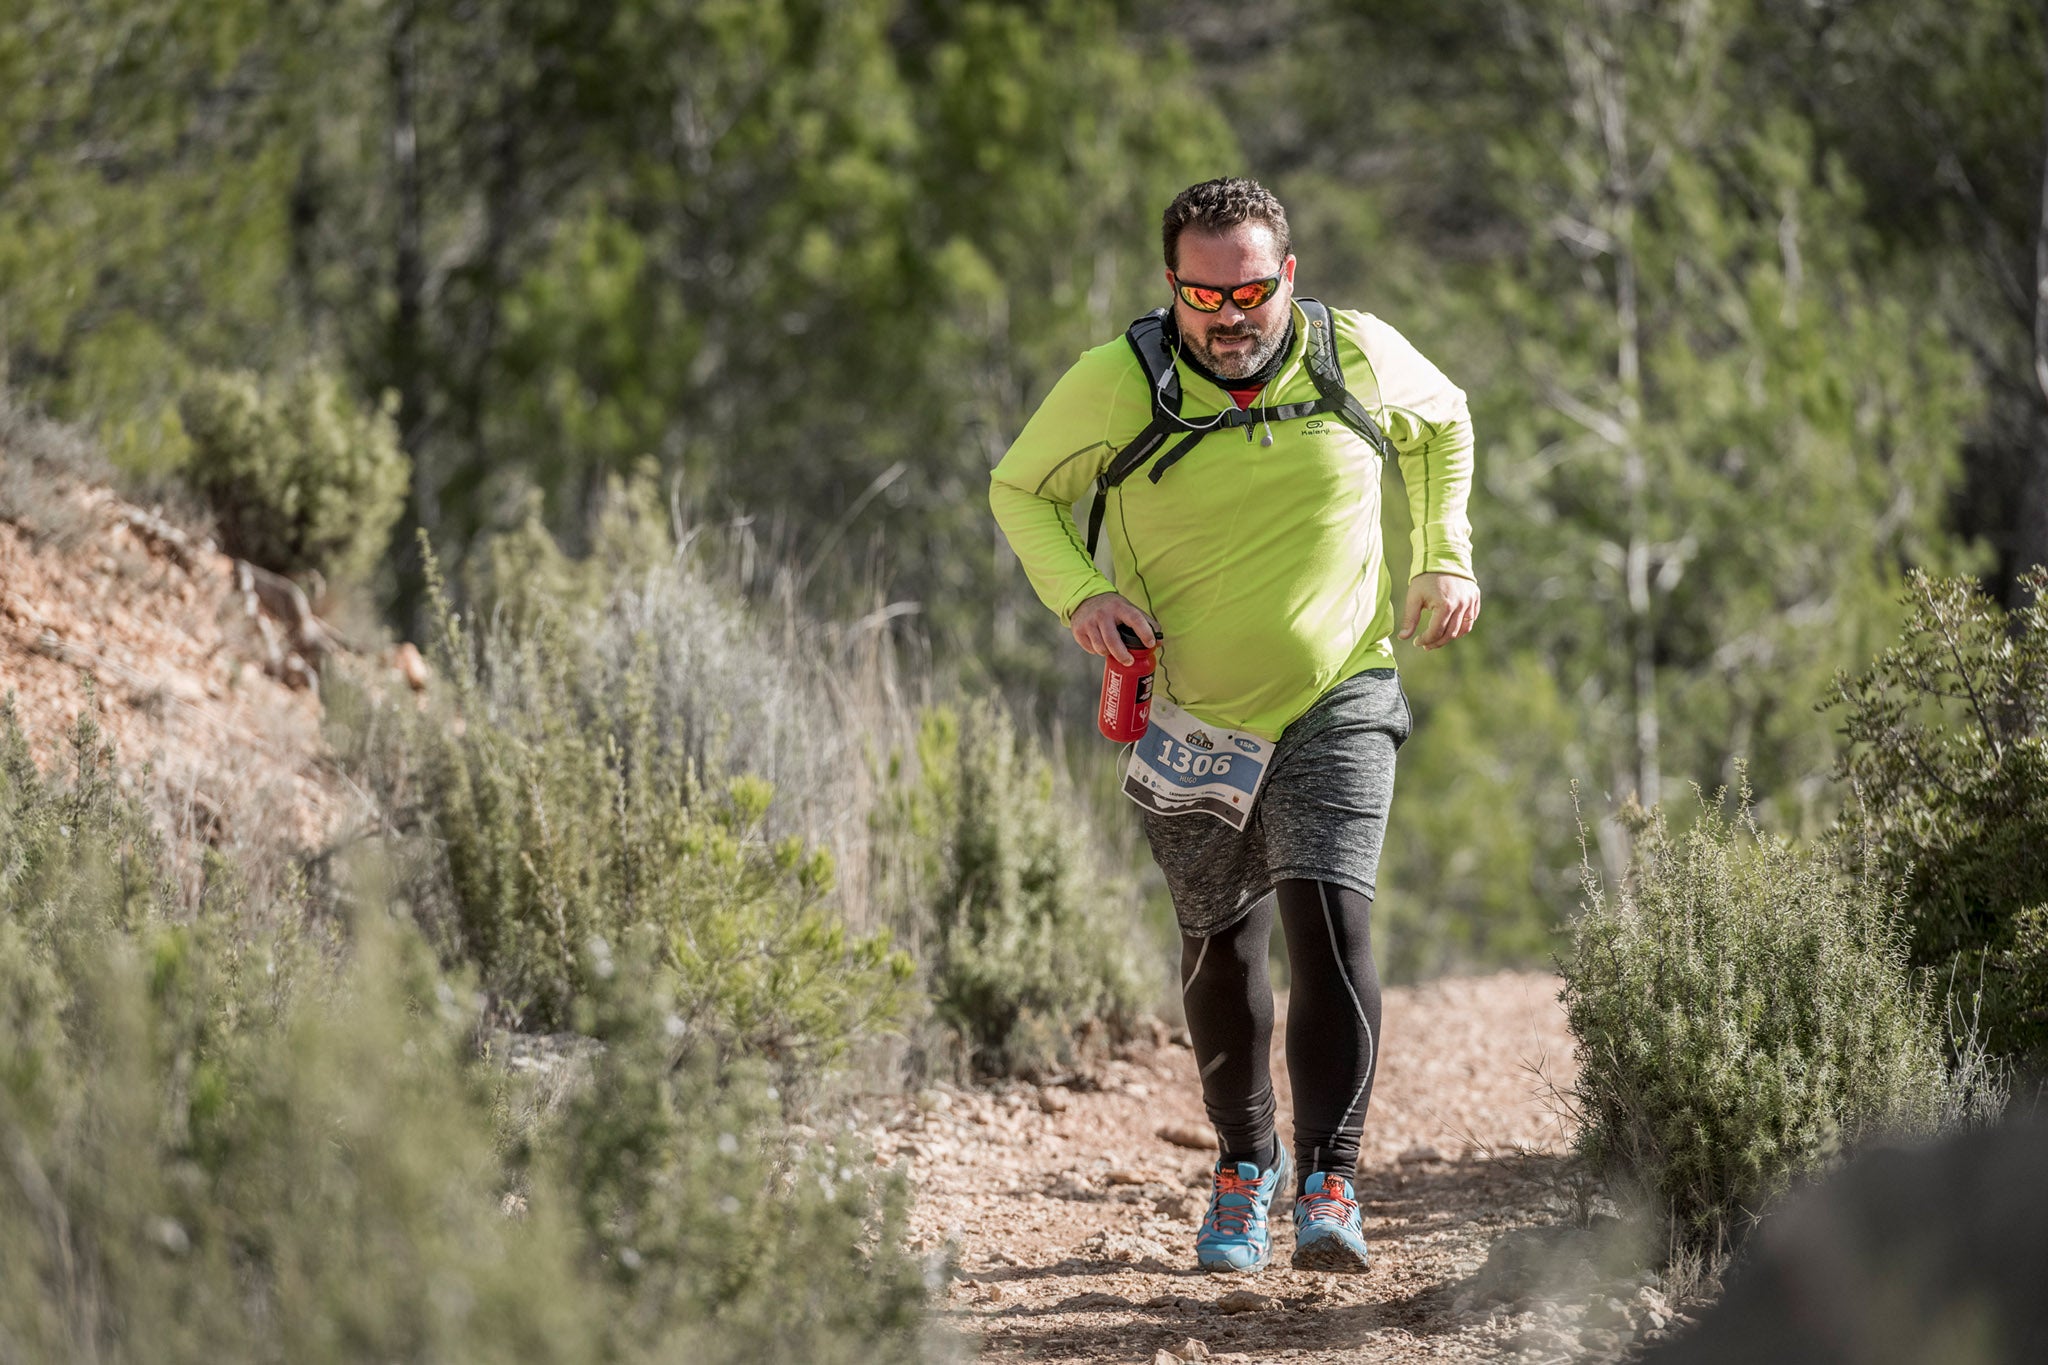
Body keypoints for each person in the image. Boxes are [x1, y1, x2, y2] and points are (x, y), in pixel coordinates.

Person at [987, 177, 1479, 1274]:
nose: (1227, 316)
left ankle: (1329, 1180)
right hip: (1191, 714)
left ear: (1286, 280)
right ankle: (1240, 1173)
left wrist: (1440, 548)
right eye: (1202, 295)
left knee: (1328, 916)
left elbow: (1442, 420)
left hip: (1338, 693)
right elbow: (1019, 489)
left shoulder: (1352, 356)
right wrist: (1080, 595)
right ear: (1172, 286)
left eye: (1249, 291)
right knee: (1221, 944)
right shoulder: (1117, 384)